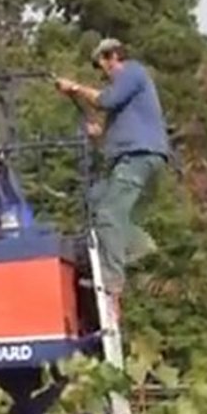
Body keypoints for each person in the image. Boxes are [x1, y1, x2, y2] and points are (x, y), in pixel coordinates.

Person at [54, 38, 170, 320]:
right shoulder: (125, 105)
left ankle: (111, 285)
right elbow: (109, 140)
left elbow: (105, 100)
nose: (102, 72)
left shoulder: (132, 71)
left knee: (109, 214)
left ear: (113, 56)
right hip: (133, 159)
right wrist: (98, 135)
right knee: (96, 198)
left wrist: (75, 88)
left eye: (102, 64)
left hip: (138, 157)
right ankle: (139, 246)